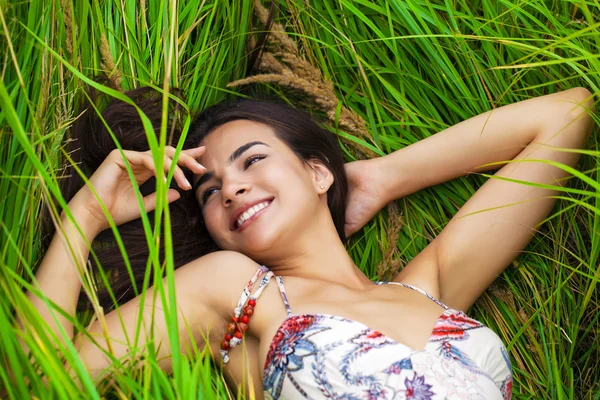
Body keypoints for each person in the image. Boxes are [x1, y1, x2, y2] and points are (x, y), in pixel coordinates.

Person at [17, 86, 594, 399]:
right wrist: (87, 213)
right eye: (211, 189)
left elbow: (567, 114)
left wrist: (379, 177)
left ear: (319, 174)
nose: (233, 187)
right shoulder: (239, 290)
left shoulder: (431, 287)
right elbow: (38, 382)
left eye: (253, 160)